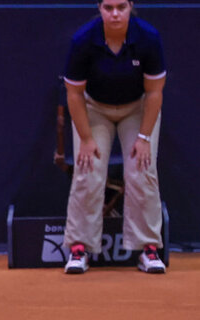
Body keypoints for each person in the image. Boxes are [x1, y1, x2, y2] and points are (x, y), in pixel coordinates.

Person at [62, 0, 167, 274]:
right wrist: (85, 139)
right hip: (94, 109)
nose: (115, 13)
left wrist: (144, 137)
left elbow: (155, 92)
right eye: (108, 7)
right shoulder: (83, 40)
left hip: (137, 109)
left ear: (131, 6)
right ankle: (79, 249)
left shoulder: (148, 38)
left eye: (121, 6)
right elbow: (73, 94)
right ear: (99, 8)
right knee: (89, 169)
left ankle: (148, 249)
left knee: (141, 169)